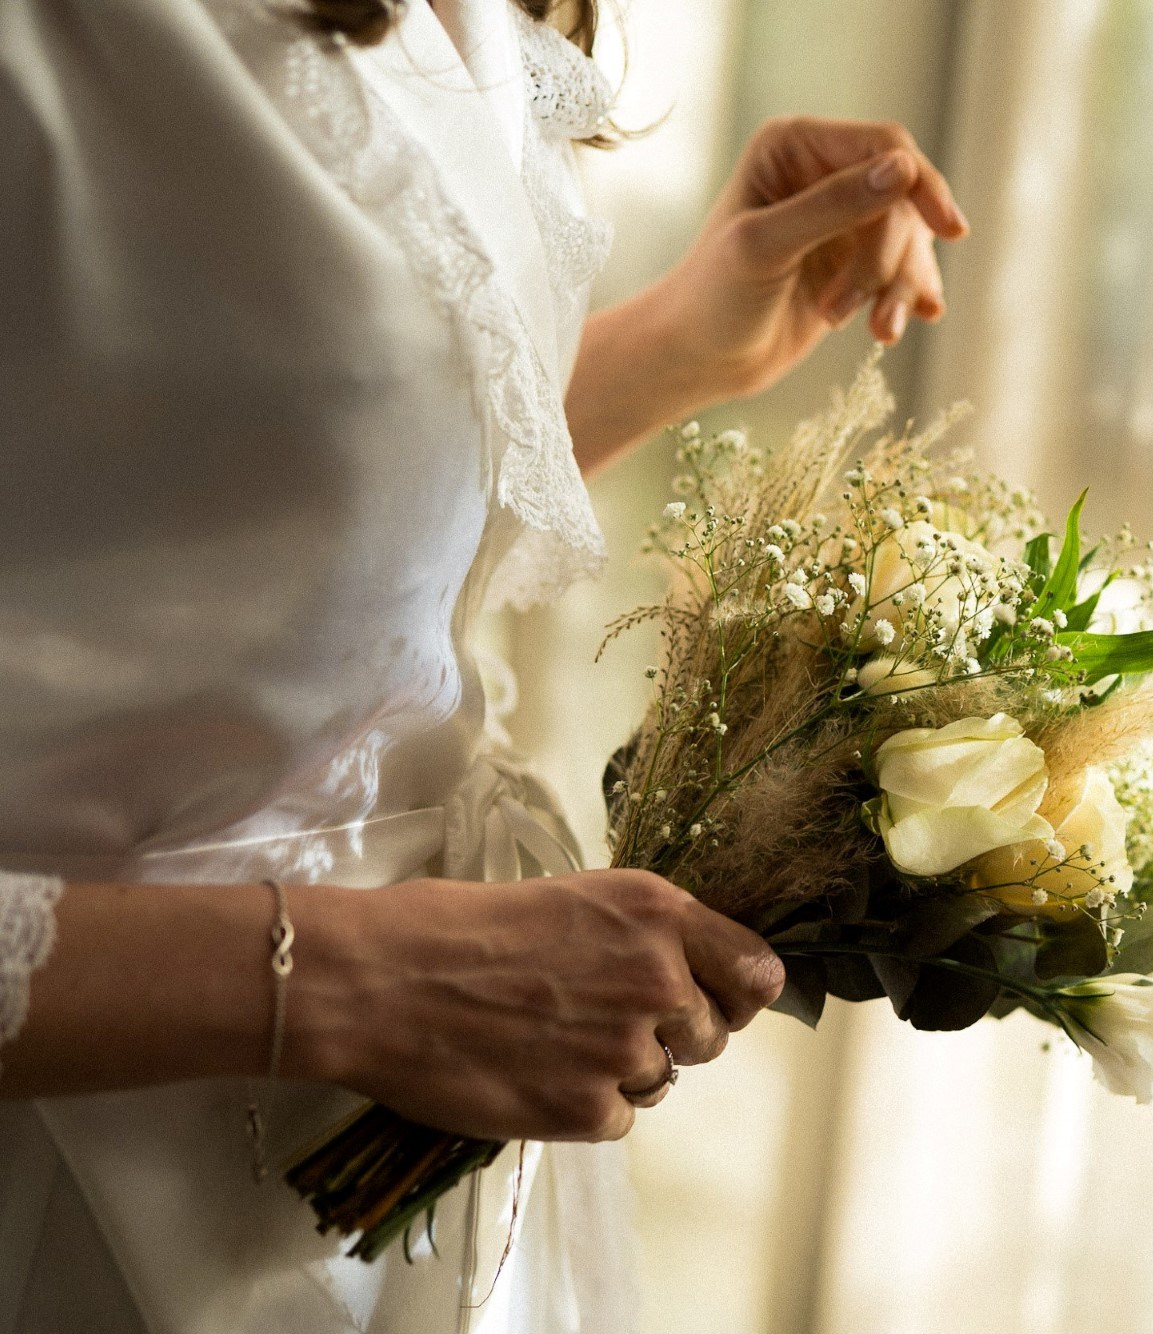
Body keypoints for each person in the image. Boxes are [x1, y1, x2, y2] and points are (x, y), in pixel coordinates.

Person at [0, 0, 966, 1329]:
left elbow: (251, 537)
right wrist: (366, 982)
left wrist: (683, 339)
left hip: (383, 1201)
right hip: (73, 1201)